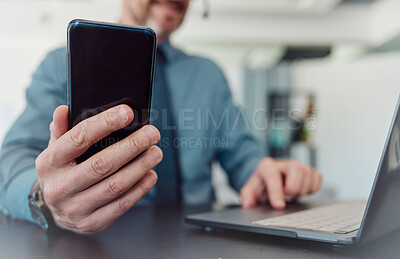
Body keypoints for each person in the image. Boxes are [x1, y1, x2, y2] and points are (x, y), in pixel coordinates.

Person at [0, 0, 322, 234]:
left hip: (199, 242)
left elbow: (240, 151)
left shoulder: (208, 74)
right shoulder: (63, 65)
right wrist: (43, 197)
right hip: (97, 243)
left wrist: (262, 172)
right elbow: (12, 158)